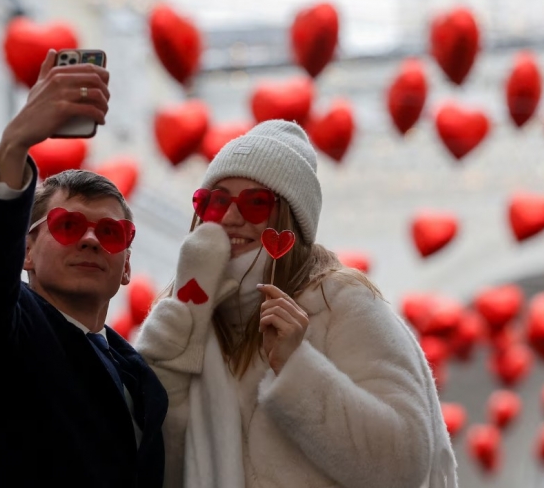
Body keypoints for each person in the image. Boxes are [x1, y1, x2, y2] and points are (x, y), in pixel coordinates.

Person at [135, 120, 457, 488]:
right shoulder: (186, 313)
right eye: (216, 201)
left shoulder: (341, 303)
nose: (231, 217)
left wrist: (296, 368)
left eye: (256, 204)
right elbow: (151, 465)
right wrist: (175, 345)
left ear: (290, 219)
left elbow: (402, 465)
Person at [0, 50, 167, 488]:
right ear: (25, 252)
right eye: (67, 225)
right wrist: (15, 146)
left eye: (111, 232)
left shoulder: (141, 375)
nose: (91, 239)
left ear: (126, 264)